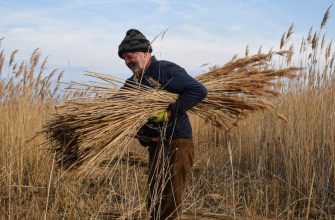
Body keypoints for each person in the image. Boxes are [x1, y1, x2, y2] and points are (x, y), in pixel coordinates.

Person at [118, 29, 207, 219]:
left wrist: (168, 113)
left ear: (145, 52)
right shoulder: (133, 82)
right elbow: (115, 106)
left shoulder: (164, 70)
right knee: (155, 196)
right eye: (124, 58)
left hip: (177, 142)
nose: (127, 62)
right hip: (156, 144)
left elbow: (198, 90)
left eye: (130, 56)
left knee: (169, 199)